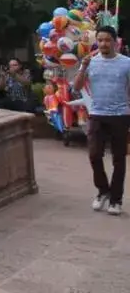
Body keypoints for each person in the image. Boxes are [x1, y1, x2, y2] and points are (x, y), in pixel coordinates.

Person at [73, 25, 130, 216]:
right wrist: (83, 67)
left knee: (119, 160)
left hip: (120, 115)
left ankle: (116, 200)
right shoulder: (91, 62)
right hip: (97, 114)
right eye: (100, 40)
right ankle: (103, 190)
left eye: (107, 40)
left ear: (115, 42)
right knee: (94, 155)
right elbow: (77, 86)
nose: (103, 43)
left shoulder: (126, 63)